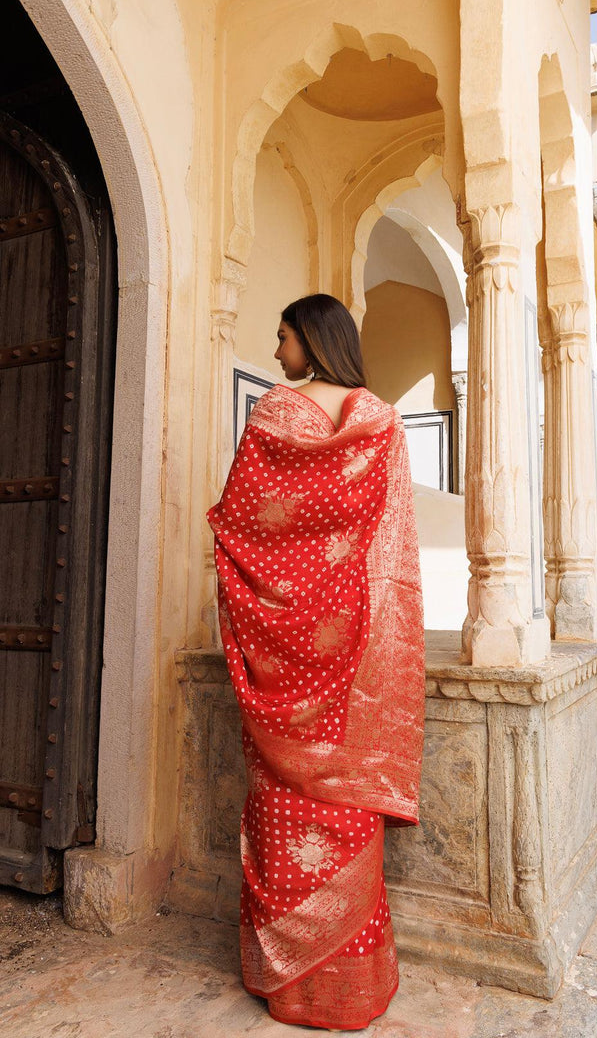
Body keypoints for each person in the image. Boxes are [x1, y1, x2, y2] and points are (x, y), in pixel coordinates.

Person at [207, 292, 425, 1030]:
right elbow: (389, 557)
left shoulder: (276, 416)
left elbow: (242, 528)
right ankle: (348, 989)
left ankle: (290, 986)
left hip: (285, 668)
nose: (275, 353)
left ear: (311, 338)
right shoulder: (382, 422)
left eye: (282, 336)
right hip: (354, 663)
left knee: (282, 810)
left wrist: (268, 617)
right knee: (343, 815)